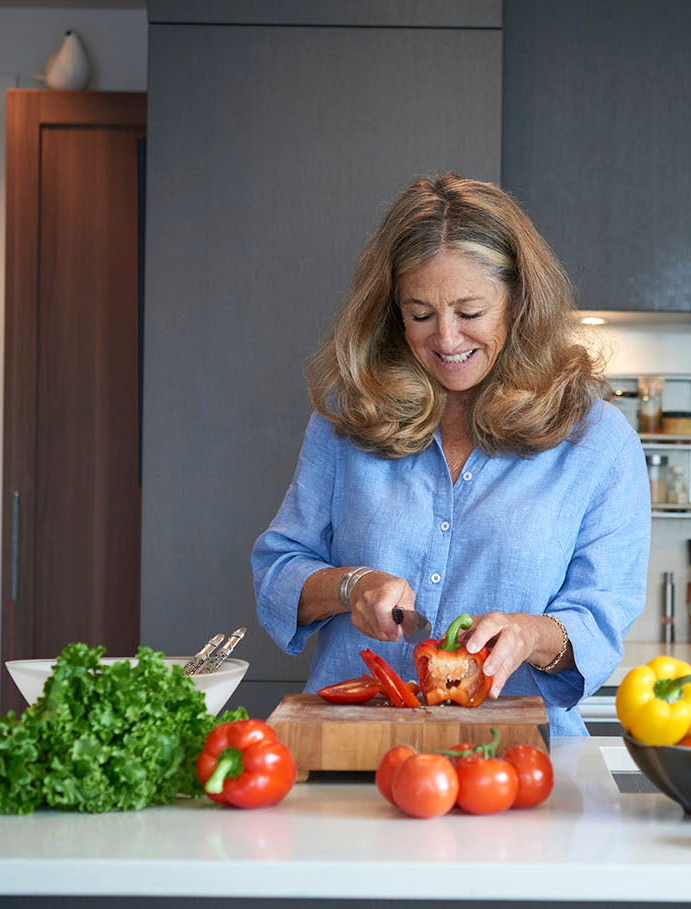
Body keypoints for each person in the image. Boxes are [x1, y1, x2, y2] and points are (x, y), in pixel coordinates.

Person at [251, 172, 650, 735]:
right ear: (393, 311)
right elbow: (278, 571)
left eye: (469, 313)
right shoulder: (348, 416)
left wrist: (530, 635)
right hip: (354, 754)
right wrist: (351, 586)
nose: (445, 339)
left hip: (515, 764)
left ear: (518, 301)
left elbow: (600, 619)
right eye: (419, 314)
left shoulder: (597, 441)